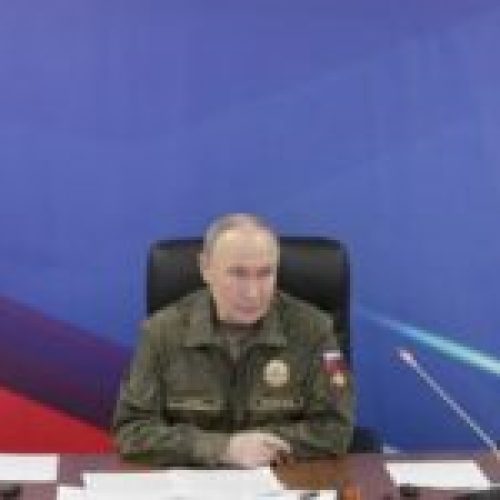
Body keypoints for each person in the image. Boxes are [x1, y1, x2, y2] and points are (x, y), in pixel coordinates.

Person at [112, 213, 354, 467]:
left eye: (265, 273)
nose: (252, 293)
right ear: (205, 268)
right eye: (238, 274)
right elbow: (132, 431)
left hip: (282, 478)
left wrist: (258, 448)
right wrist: (223, 449)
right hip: (193, 482)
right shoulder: (161, 333)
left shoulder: (314, 330)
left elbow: (335, 430)